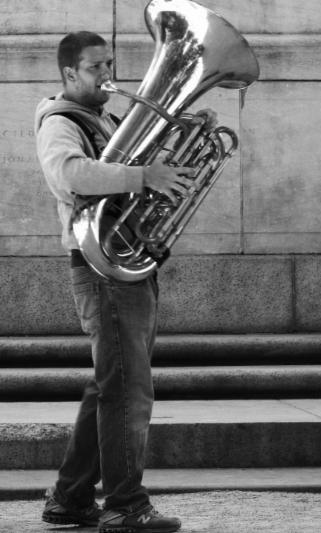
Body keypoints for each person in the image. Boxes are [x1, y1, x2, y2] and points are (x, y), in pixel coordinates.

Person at [34, 31, 211, 532]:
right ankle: (125, 505)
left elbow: (140, 170)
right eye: (95, 67)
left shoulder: (105, 117)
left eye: (109, 62)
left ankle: (69, 500)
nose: (107, 74)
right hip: (100, 269)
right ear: (69, 73)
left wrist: (183, 142)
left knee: (109, 385)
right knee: (128, 390)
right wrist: (142, 178)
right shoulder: (59, 122)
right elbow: (70, 174)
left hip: (124, 261)